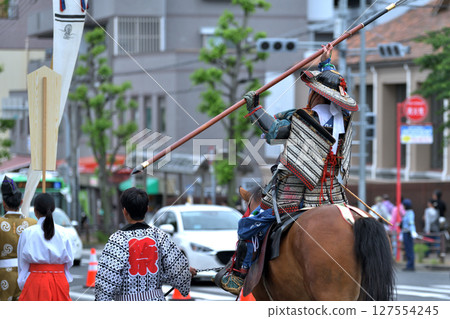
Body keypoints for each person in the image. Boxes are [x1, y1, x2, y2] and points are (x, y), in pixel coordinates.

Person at [221, 44, 359, 294]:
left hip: (296, 190)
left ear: (317, 94)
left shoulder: (305, 117)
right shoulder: (343, 119)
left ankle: (237, 274)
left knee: (250, 224)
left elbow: (274, 132)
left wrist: (255, 109)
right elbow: (331, 83)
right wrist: (326, 64)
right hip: (331, 193)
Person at [95, 187, 196, 301]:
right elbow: (174, 269)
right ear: (147, 209)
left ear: (124, 211)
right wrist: (185, 271)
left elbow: (106, 280)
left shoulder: (117, 239)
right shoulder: (159, 235)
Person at [17, 193, 73, 300]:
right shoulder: (64, 233)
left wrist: (22, 282)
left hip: (34, 281)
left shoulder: (27, 233)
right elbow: (69, 261)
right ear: (53, 210)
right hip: (59, 279)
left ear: (35, 211)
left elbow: (22, 263)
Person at [0, 175, 37, 301]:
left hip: (3, 276)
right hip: (27, 276)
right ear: (21, 202)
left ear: (4, 203)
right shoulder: (33, 224)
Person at [401, 198, 418, 271]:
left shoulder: (410, 213)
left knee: (409, 249)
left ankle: (411, 265)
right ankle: (409, 264)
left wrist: (413, 231)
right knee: (407, 249)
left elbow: (411, 223)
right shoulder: (407, 212)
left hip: (408, 233)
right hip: (405, 232)